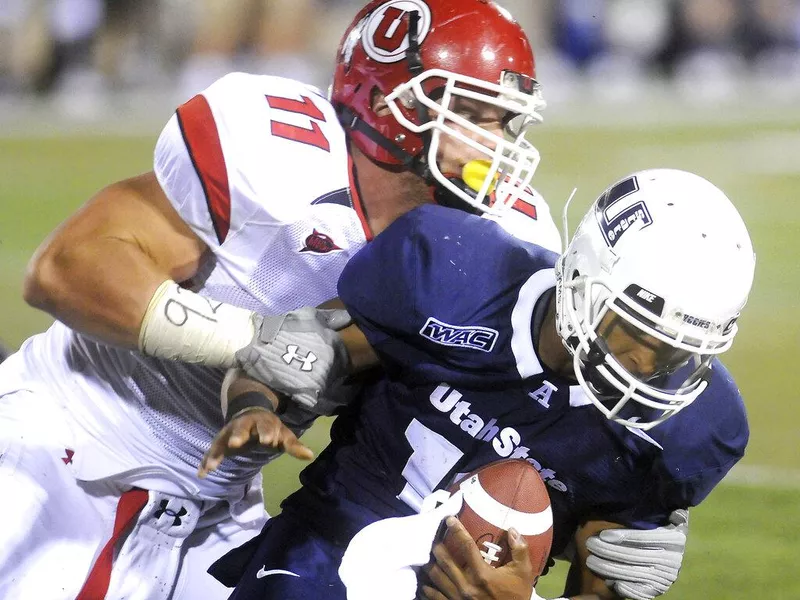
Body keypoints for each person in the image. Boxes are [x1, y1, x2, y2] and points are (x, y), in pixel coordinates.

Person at [0, 1, 561, 598]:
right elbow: (65, 269)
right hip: (70, 442)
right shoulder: (278, 155)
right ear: (386, 104)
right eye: (472, 114)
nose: (495, 146)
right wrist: (249, 342)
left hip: (216, 512)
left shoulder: (502, 242)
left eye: (505, 121)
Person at [204, 168, 755, 600]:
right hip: (329, 548)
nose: (643, 363)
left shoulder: (691, 428)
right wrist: (256, 403)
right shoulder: (453, 272)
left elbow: (599, 592)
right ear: (585, 277)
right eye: (634, 330)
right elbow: (297, 349)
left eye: (679, 351)